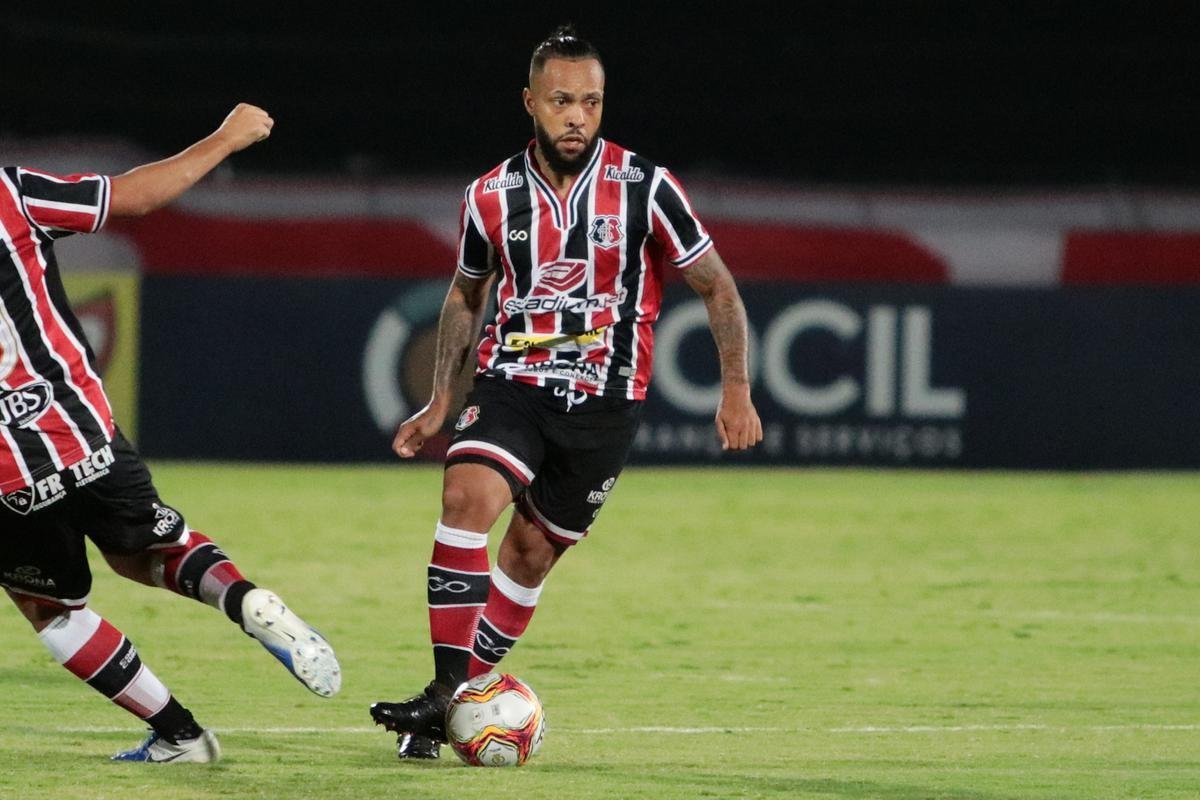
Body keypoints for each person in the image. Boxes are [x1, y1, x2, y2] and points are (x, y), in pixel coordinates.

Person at [369, 26, 763, 759]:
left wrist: (735, 387)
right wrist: (439, 401)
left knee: (526, 556)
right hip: (513, 382)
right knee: (466, 498)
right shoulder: (489, 195)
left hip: (606, 406)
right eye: (561, 101)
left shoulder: (648, 186)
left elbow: (717, 286)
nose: (577, 116)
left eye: (590, 101)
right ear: (531, 103)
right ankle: (448, 692)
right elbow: (464, 295)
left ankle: (453, 711)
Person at [0, 104, 341, 764]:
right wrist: (228, 137)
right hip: (88, 431)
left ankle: (182, 736)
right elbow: (137, 196)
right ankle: (246, 601)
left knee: (51, 608)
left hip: (10, 476)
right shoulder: (11, 193)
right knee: (150, 550)